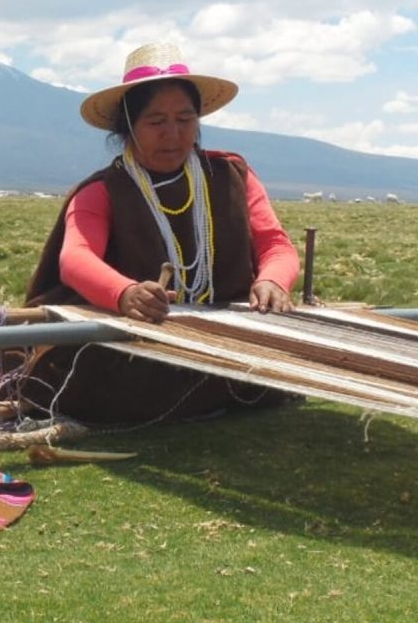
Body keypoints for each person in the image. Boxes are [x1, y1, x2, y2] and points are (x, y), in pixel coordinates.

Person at [18, 42, 301, 424]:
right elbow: (75, 259)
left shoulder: (232, 177)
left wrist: (273, 281)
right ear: (128, 127)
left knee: (284, 355)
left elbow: (275, 244)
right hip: (138, 339)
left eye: (185, 119)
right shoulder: (102, 190)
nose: (173, 134)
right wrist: (124, 294)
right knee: (104, 376)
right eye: (156, 122)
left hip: (226, 331)